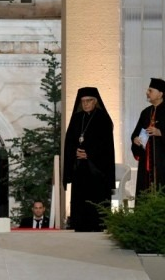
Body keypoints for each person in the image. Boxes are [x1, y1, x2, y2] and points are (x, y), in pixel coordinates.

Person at [62, 86, 115, 232]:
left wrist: (89, 154)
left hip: (97, 169)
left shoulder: (103, 119)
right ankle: (80, 225)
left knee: (96, 201)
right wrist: (75, 151)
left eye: (89, 100)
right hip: (80, 167)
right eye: (83, 101)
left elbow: (106, 146)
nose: (85, 104)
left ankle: (98, 226)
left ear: (95, 101)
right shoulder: (77, 118)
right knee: (80, 200)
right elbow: (69, 141)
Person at [130, 78, 165, 199]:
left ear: (160, 94)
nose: (147, 93)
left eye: (150, 90)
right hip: (147, 163)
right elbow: (136, 133)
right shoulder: (145, 113)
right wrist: (135, 139)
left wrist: (161, 133)